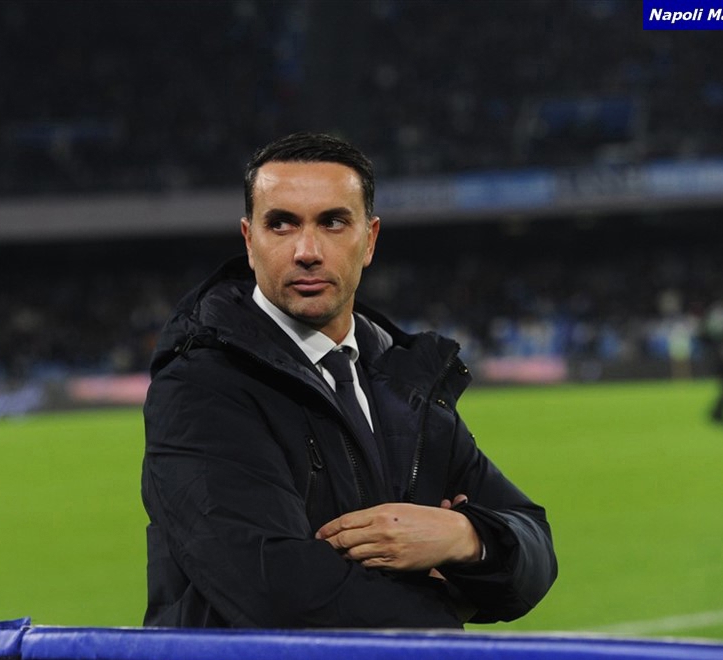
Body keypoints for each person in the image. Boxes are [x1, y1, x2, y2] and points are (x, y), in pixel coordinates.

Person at [141, 132, 557, 628]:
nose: (307, 250)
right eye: (281, 224)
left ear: (370, 239)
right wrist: (444, 606)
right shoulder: (200, 386)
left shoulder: (403, 381)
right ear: (250, 241)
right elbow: (274, 593)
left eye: (333, 222)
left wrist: (464, 538)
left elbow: (534, 542)